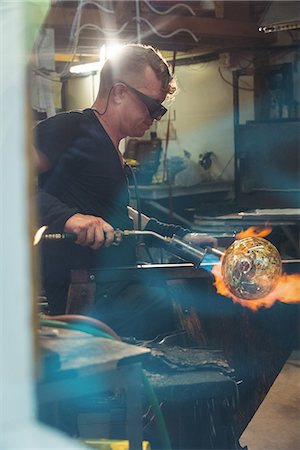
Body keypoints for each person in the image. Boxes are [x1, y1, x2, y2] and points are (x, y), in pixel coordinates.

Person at [35, 44, 217, 339]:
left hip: (117, 285)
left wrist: (178, 236)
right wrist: (70, 219)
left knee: (198, 300)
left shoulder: (112, 150)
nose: (155, 117)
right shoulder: (70, 128)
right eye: (151, 106)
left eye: (161, 109)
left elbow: (120, 215)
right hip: (87, 293)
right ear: (119, 92)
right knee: (185, 310)